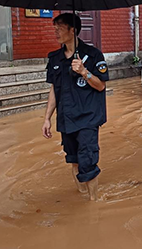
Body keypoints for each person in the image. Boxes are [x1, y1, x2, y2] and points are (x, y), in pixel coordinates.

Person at [42, 13, 109, 201]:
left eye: (60, 27)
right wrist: (47, 118)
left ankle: (93, 203)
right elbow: (55, 90)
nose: (56, 31)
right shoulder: (55, 58)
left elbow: (101, 85)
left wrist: (84, 72)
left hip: (88, 117)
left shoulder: (94, 55)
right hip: (66, 118)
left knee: (88, 161)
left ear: (73, 30)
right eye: (54, 27)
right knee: (73, 159)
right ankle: (81, 198)